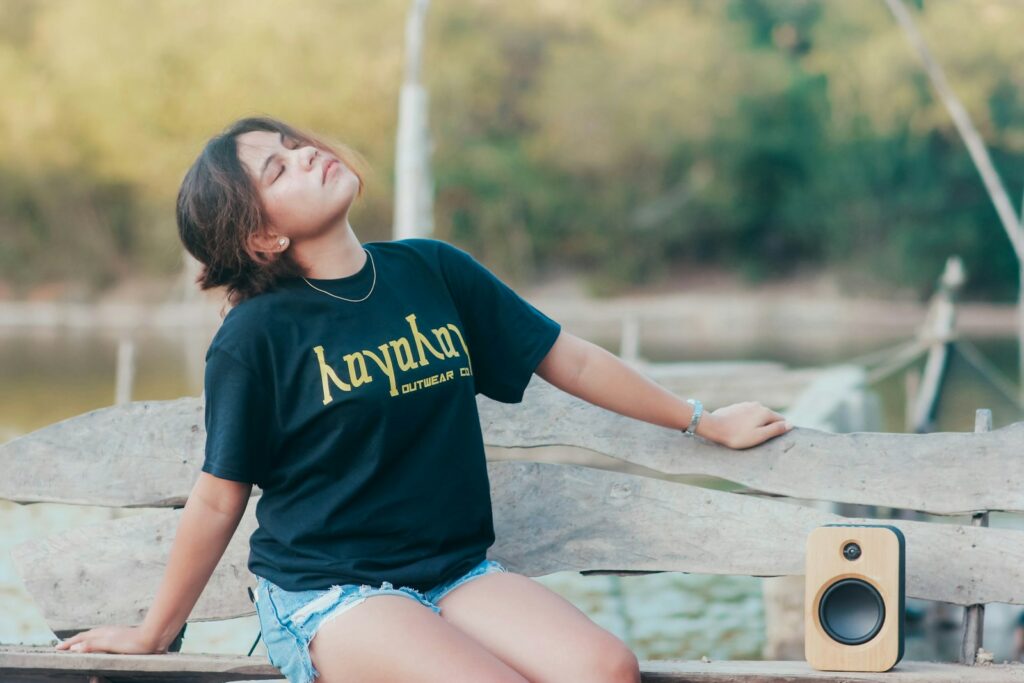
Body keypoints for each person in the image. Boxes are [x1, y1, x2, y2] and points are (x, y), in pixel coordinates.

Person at [53, 116, 794, 682]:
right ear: (262, 237)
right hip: (327, 589)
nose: (307, 153)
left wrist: (702, 420)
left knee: (604, 669)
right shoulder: (257, 336)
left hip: (451, 570)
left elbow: (567, 357)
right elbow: (218, 497)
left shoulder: (431, 270)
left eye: (292, 143)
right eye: (278, 168)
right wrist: (154, 631)